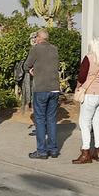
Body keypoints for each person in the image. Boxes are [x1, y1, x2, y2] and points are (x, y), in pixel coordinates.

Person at [24, 29, 62, 159]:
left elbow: (26, 65)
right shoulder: (54, 49)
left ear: (39, 38)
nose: (35, 39)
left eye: (36, 37)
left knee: (40, 120)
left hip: (41, 88)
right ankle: (53, 149)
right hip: (54, 88)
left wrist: (31, 70)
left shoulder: (35, 49)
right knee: (51, 119)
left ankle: (42, 151)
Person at [73, 39, 99, 164]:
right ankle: (98, 151)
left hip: (90, 94)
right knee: (98, 122)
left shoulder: (89, 58)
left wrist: (78, 87)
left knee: (84, 123)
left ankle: (85, 152)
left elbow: (82, 76)